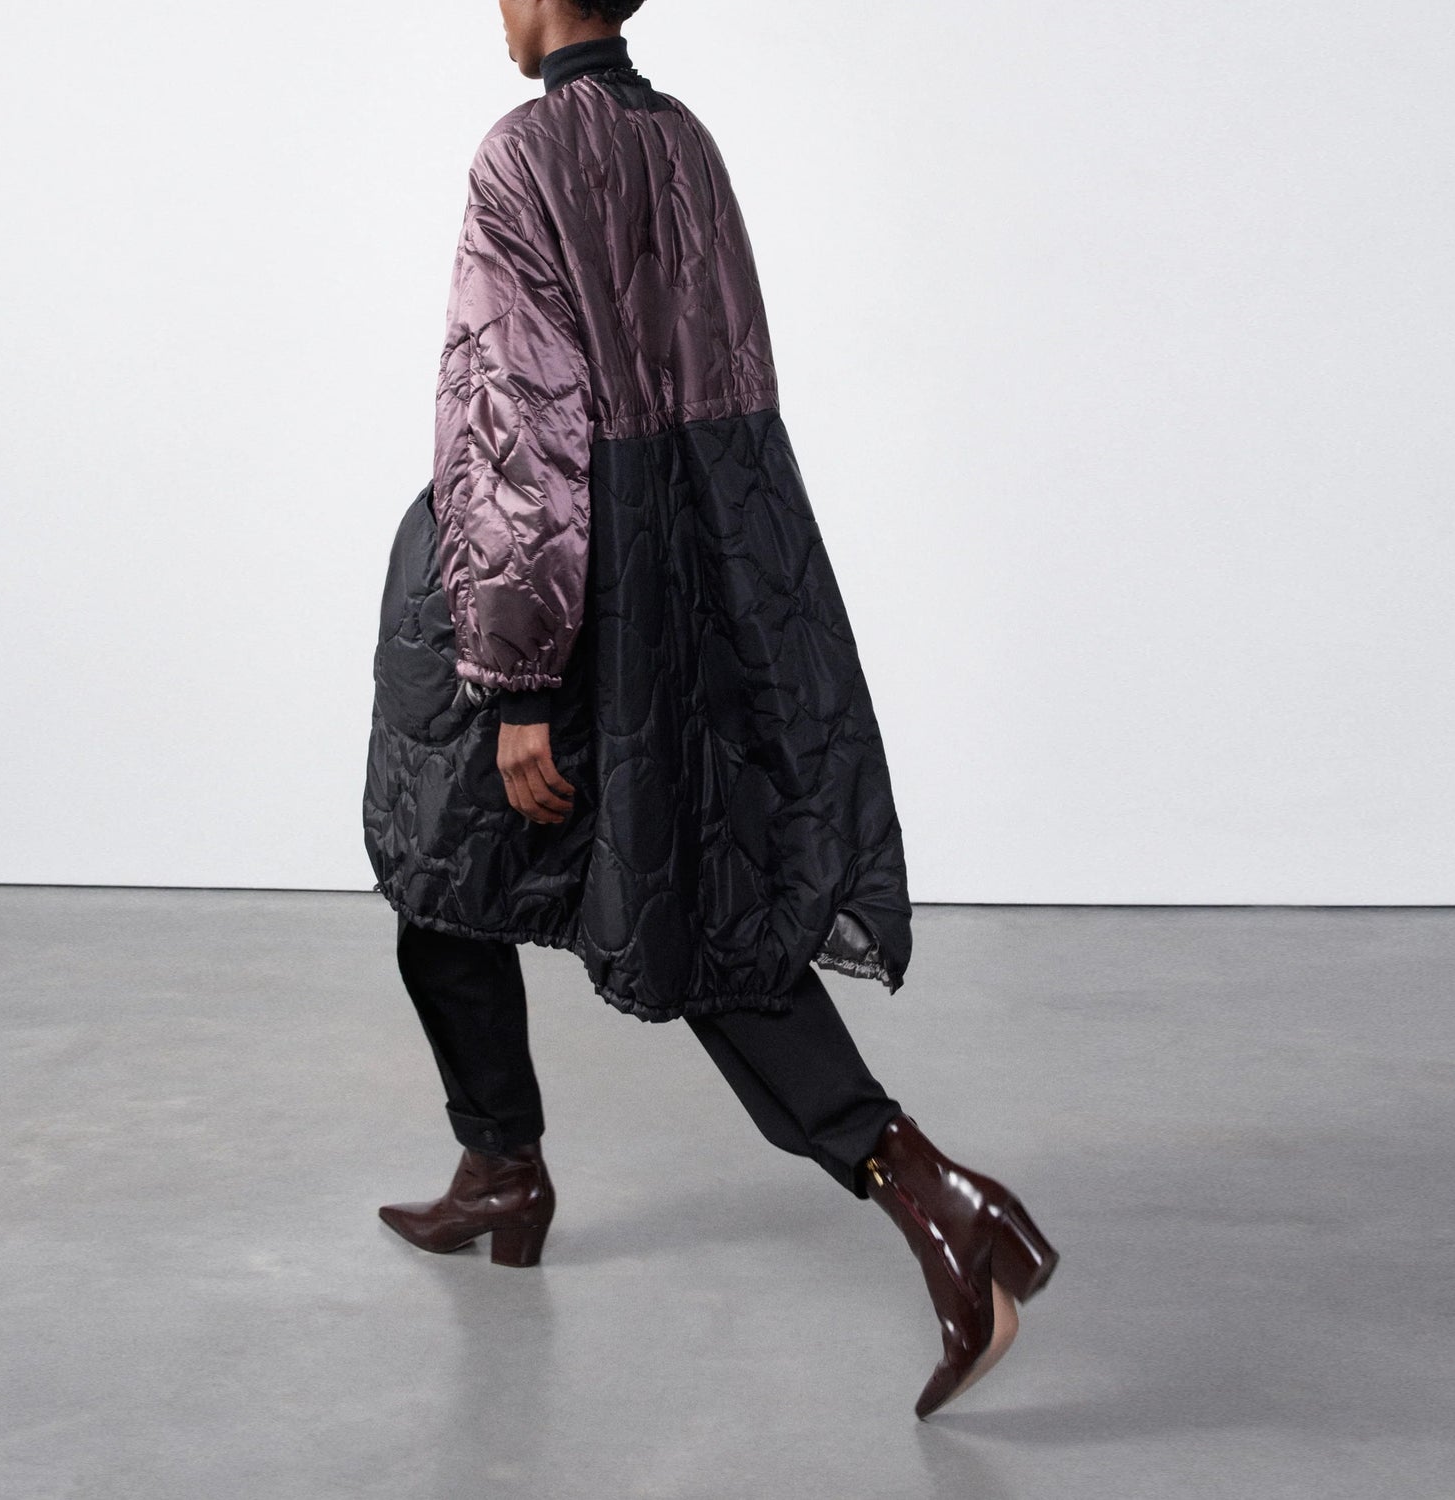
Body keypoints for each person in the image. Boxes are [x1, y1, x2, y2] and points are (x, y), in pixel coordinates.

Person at [362, 0, 1059, 1419]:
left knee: (485, 867)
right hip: (691, 564)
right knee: (662, 886)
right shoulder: (683, 138)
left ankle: (922, 1191)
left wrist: (518, 679)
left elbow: (515, 424)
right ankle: (509, 1168)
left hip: (561, 591)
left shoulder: (523, 154)